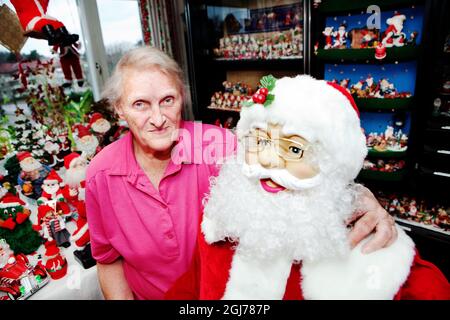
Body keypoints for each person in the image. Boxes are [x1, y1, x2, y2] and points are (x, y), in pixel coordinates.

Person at [86, 46, 398, 300]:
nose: (158, 118)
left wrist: (357, 196)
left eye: (168, 100)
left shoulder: (218, 144)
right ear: (119, 109)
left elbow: (299, 168)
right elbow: (108, 261)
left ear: (182, 98)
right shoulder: (101, 174)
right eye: (140, 104)